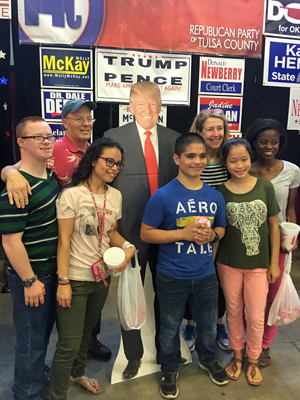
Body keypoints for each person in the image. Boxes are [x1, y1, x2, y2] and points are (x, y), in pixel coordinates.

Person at [1, 99, 112, 362]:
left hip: (80, 250)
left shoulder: (96, 152)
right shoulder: (54, 150)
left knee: (77, 315)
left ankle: (83, 350)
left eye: (89, 119)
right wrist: (9, 173)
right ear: (64, 124)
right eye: (78, 119)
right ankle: (34, 384)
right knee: (37, 333)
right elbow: (24, 168)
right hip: (52, 253)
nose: (86, 124)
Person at [140, 132, 228, 399]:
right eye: (190, 156)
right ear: (177, 158)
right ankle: (169, 367)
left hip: (205, 274)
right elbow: (146, 233)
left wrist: (213, 235)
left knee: (209, 324)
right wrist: (181, 234)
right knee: (168, 327)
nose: (197, 161)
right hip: (171, 275)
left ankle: (208, 358)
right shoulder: (163, 196)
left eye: (202, 156)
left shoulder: (215, 196)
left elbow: (221, 228)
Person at [104, 81, 180, 379]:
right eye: (141, 104)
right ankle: (133, 356)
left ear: (160, 106)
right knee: (129, 296)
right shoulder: (114, 137)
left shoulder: (175, 139)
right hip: (129, 234)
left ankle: (166, 353)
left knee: (168, 297)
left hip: (167, 235)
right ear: (130, 107)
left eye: (153, 104)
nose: (147, 110)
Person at [50, 137, 136, 399]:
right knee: (68, 343)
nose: (114, 167)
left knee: (86, 335)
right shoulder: (71, 195)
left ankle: (77, 374)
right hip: (74, 278)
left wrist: (129, 247)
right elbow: (64, 242)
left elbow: (110, 234)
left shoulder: (116, 195)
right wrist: (63, 282)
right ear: (93, 160)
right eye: (109, 161)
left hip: (101, 278)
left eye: (119, 164)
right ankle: (58, 393)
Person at [0, 116, 60, 400]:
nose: (47, 141)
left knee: (41, 338)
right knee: (29, 342)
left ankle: (34, 378)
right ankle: (26, 393)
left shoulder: (48, 175)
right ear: (21, 142)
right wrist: (29, 280)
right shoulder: (15, 188)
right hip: (33, 276)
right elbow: (10, 241)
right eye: (38, 137)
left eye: (49, 136)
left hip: (52, 273)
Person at [216, 138, 281, 386]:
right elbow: (219, 231)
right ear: (226, 163)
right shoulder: (220, 192)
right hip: (228, 263)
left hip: (259, 265)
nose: (240, 165)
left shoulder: (265, 187)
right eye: (233, 160)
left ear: (250, 158)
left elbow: (273, 227)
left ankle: (254, 357)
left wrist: (273, 262)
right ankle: (238, 354)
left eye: (244, 159)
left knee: (255, 315)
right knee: (233, 311)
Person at [245, 118, 300, 367]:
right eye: (264, 142)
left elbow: (289, 208)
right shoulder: (245, 169)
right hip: (250, 245)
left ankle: (264, 345)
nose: (269, 146)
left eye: (274, 142)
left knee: (272, 297)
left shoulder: (292, 171)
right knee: (251, 298)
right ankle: (250, 341)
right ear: (254, 143)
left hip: (279, 245)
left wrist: (292, 238)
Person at [182, 109, 230, 352]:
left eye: (220, 128)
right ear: (198, 131)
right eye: (210, 129)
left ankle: (219, 324)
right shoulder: (192, 159)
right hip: (195, 229)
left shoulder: (229, 157)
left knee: (219, 279)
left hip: (223, 229)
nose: (216, 133)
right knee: (194, 278)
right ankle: (190, 324)